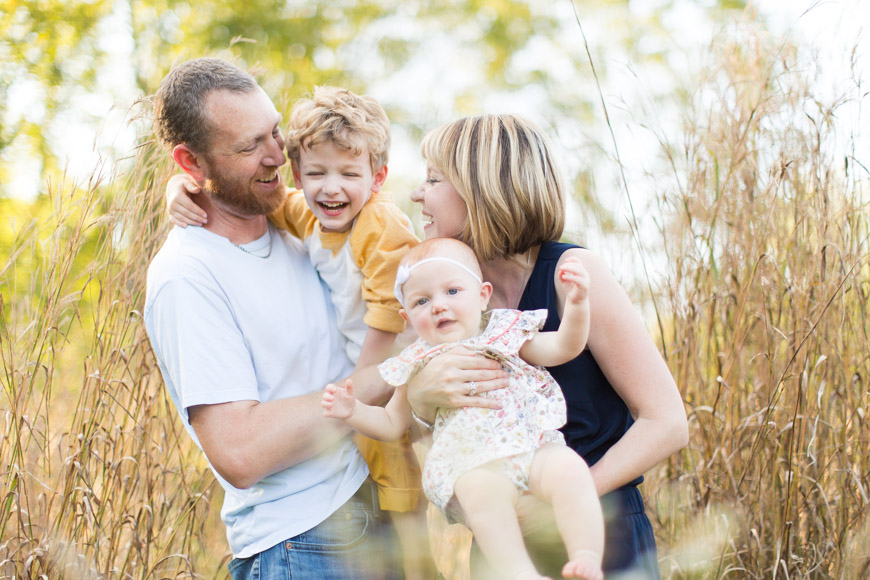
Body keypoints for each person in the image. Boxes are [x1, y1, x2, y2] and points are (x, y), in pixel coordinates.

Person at [144, 57, 407, 580]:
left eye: (275, 132)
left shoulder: (302, 226)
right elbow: (239, 452)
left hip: (369, 510)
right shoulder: (187, 274)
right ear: (191, 163)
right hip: (300, 546)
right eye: (249, 147)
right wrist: (382, 380)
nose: (278, 157)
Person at [404, 114, 689, 578]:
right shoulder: (445, 294)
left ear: (482, 189)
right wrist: (420, 399)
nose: (418, 193)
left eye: (434, 179)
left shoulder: (573, 274)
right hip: (504, 550)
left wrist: (562, 499)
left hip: (597, 535)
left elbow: (667, 422)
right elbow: (444, 434)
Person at [321, 237, 604, 580]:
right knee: (482, 496)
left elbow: (562, 347)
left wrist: (577, 305)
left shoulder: (505, 332)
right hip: (475, 464)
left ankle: (586, 556)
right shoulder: (414, 361)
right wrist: (352, 412)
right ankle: (520, 574)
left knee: (570, 468)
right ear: (406, 316)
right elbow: (391, 422)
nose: (439, 306)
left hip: (531, 446)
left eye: (452, 291)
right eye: (422, 301)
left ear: (483, 295)